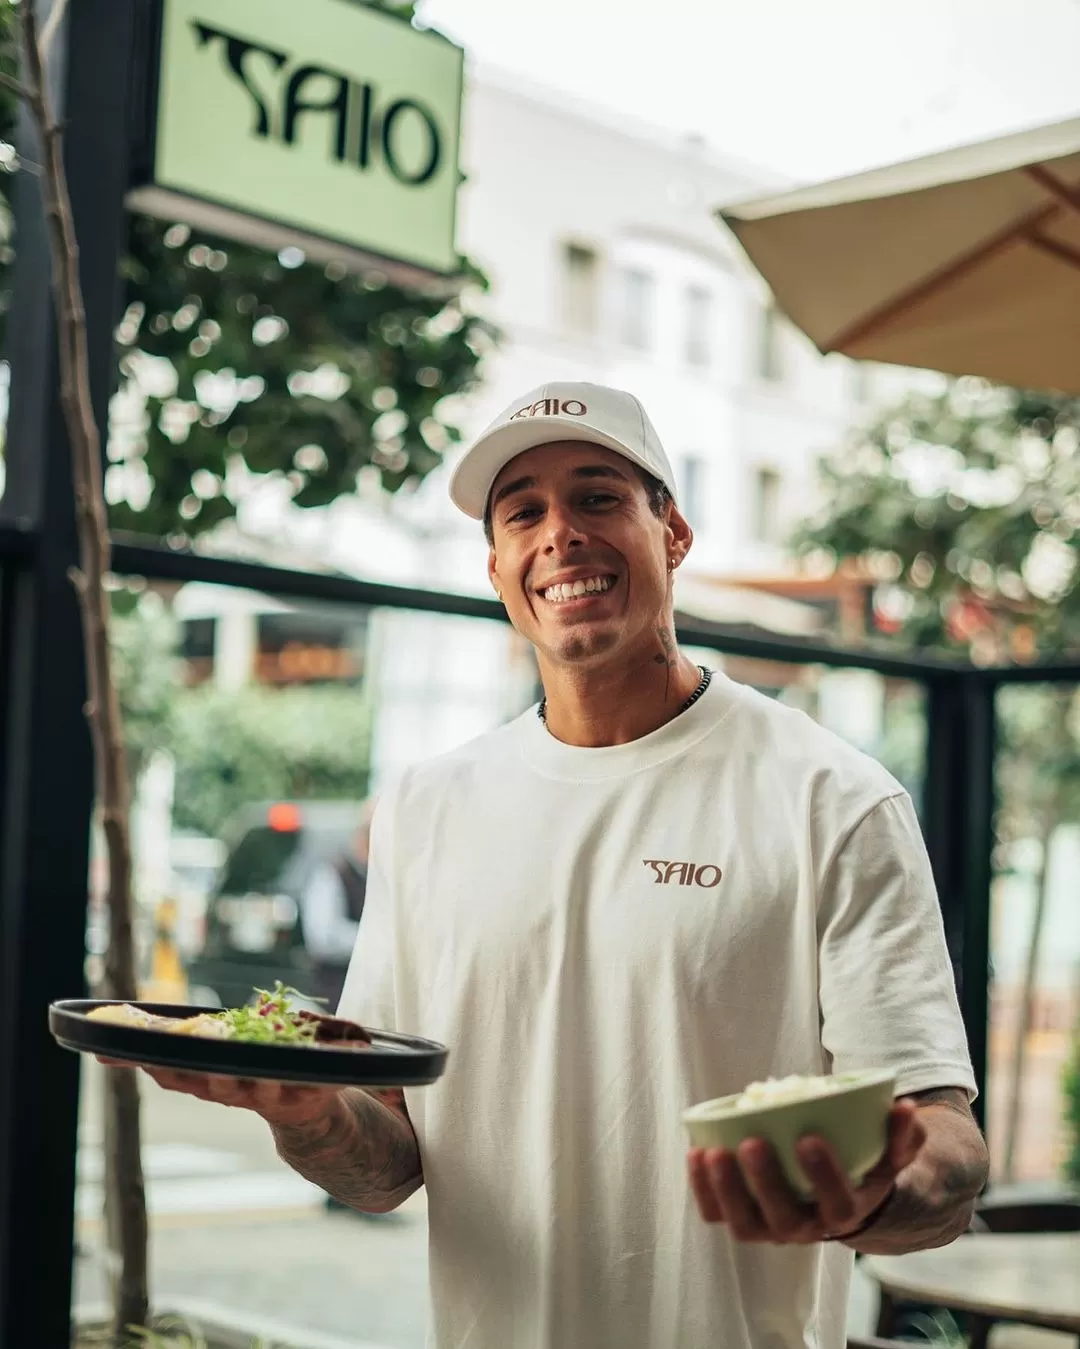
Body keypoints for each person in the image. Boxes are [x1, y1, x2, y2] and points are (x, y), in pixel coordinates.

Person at [131, 381, 990, 1349]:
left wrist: (868, 1196)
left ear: (673, 533)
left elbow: (949, 1152)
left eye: (597, 497)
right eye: (523, 511)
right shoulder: (426, 807)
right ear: (496, 565)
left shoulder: (831, 796)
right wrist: (301, 1108)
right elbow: (386, 1163)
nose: (560, 535)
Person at [298, 799, 375, 1010]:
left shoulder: (378, 877)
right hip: (332, 999)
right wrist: (379, 940)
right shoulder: (332, 873)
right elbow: (324, 937)